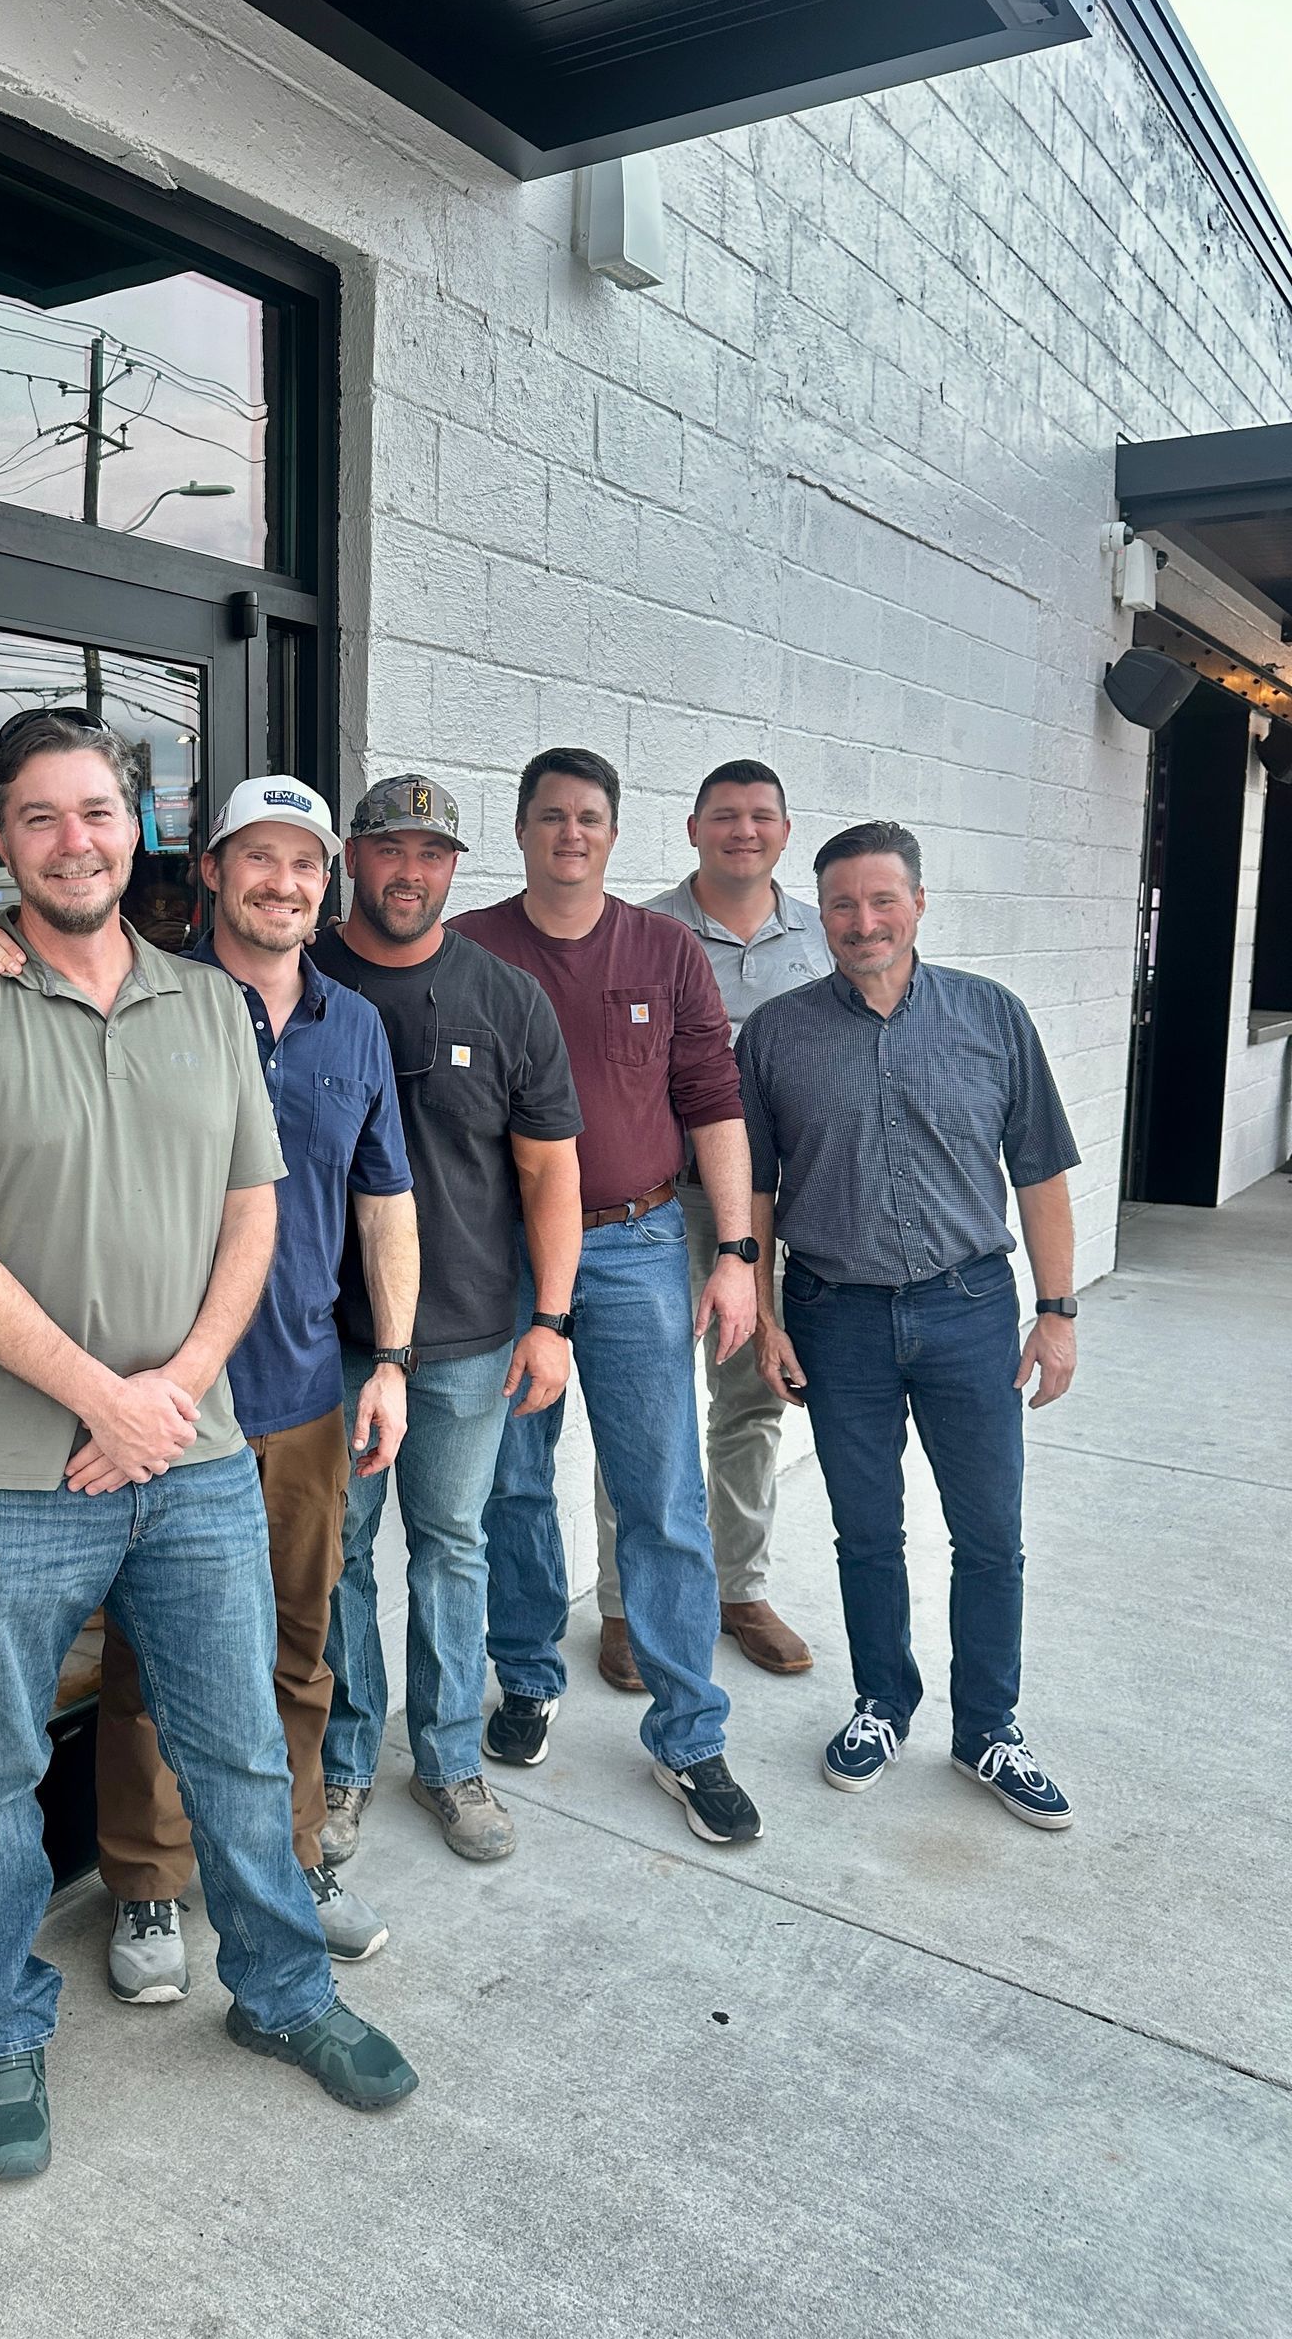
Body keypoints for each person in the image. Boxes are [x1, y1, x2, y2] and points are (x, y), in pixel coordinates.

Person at [0, 712, 417, 2182]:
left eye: (96, 811)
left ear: (139, 827)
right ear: (3, 838)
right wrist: (103, 1403)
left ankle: (283, 1993)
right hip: (12, 1477)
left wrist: (171, 1389)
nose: (73, 841)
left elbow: (256, 1214)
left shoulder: (207, 1006)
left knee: (237, 1748)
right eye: (39, 816)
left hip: (199, 1457)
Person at [741, 819, 1080, 1828]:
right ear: (820, 916)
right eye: (842, 904)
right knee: (865, 1531)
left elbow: (1041, 1174)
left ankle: (988, 1728)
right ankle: (883, 1702)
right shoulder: (777, 1035)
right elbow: (754, 1193)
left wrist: (1057, 1312)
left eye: (883, 899)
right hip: (834, 1316)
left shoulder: (992, 1016)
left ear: (919, 904)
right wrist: (766, 1317)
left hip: (969, 1310)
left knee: (991, 1534)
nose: (863, 921)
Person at [461, 749, 766, 1847]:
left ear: (614, 832)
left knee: (662, 1492)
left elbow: (713, 1100)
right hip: (501, 1257)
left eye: (589, 817)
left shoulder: (664, 949)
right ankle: (527, 1675)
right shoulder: (470, 948)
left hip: (636, 1243)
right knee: (513, 1482)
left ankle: (690, 1734)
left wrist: (736, 1252)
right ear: (521, 829)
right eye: (551, 816)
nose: (570, 834)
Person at [314, 774, 584, 1866]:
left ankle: (448, 1759)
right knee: (338, 1554)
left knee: (452, 1547)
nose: (409, 872)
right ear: (353, 857)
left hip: (470, 1332)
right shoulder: (296, 975)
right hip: (326, 1334)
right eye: (390, 849)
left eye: (431, 854)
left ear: (455, 869)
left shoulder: (507, 997)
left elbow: (551, 1173)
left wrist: (551, 1319)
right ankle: (341, 1764)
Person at [585, 760, 832, 1686]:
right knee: (642, 1408)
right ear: (692, 828)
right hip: (662, 1204)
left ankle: (740, 1588)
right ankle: (625, 1606)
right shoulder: (642, 933)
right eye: (724, 816)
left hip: (777, 1207)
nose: (743, 830)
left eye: (761, 816)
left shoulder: (821, 939)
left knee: (751, 1403)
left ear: (785, 831)